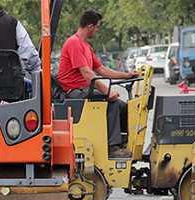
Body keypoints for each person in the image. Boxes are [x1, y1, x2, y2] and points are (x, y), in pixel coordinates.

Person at [57, 9, 138, 159]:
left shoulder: (87, 46)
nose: (97, 30)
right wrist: (108, 92)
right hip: (74, 91)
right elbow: (87, 73)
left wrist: (127, 75)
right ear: (90, 26)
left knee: (123, 106)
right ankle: (112, 147)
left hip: (84, 88)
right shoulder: (74, 43)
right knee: (111, 103)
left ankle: (122, 141)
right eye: (97, 26)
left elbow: (101, 69)